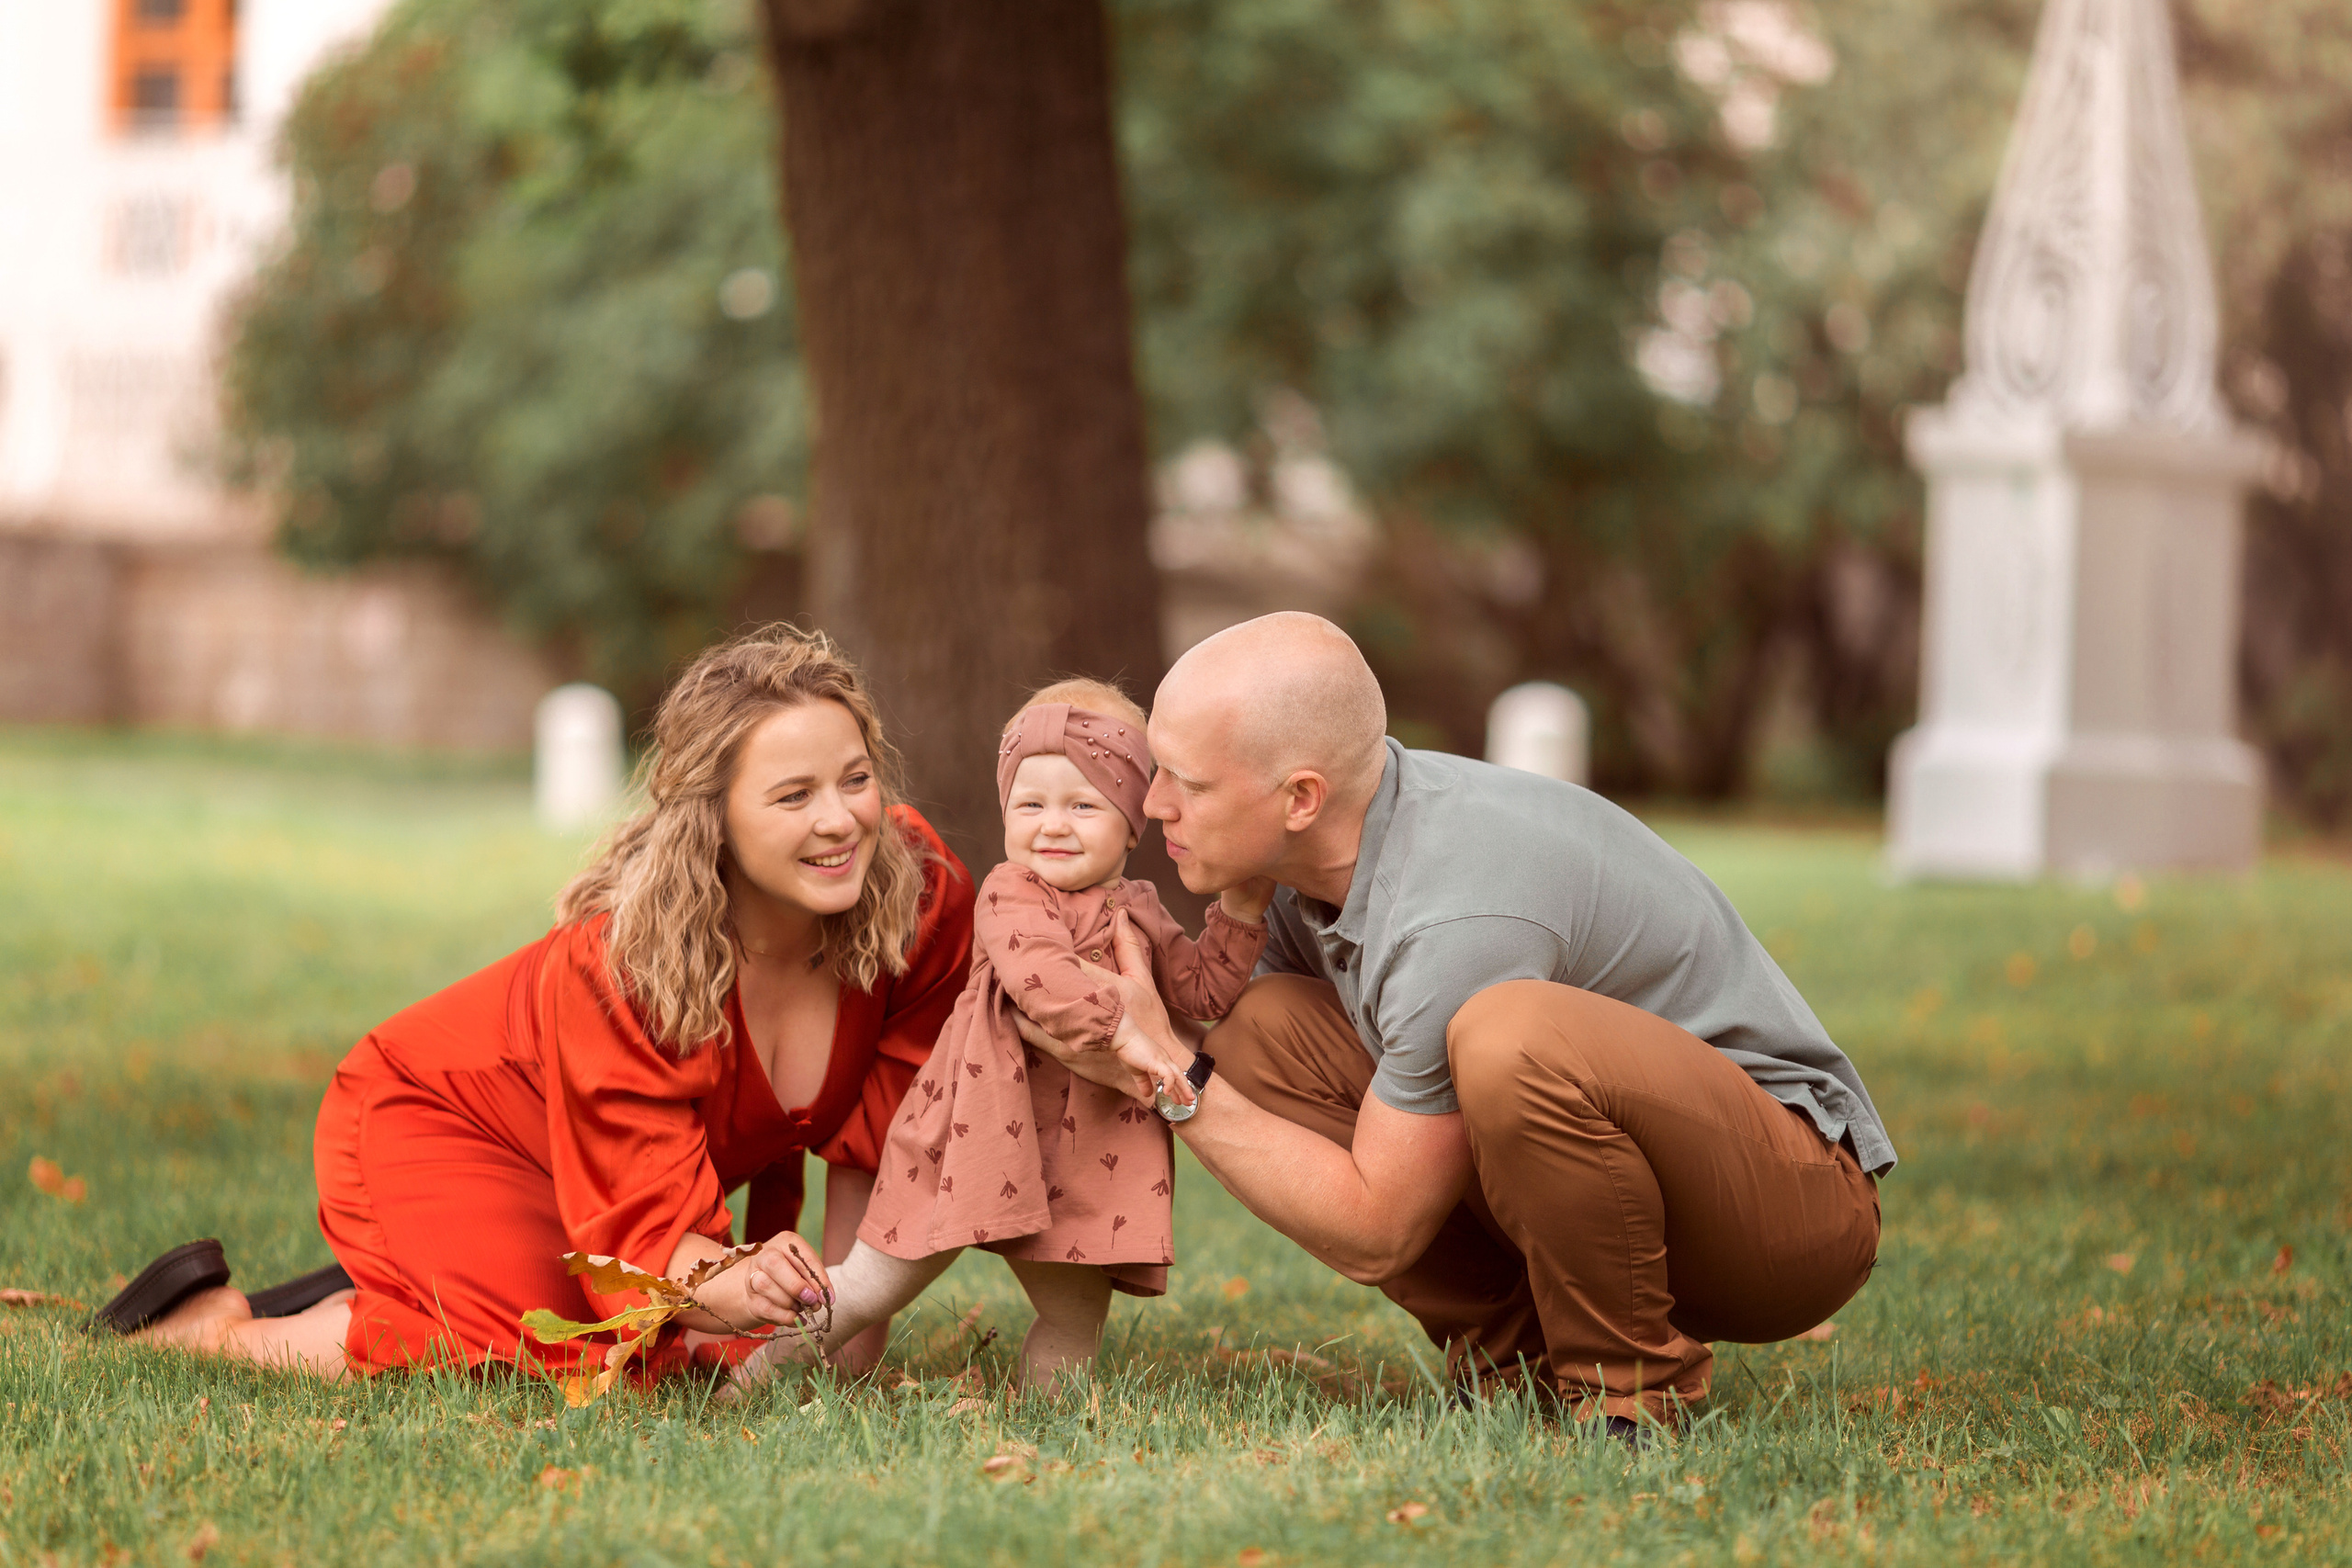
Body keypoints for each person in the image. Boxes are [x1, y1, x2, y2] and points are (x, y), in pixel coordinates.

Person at [1013, 613, 1894, 1432]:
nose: (1153, 803)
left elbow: (1377, 1228)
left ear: (1301, 798)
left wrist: (1169, 1071)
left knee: (1507, 1036)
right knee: (1259, 1030)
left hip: (1792, 1210)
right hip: (1634, 1187)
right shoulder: (1306, 868)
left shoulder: (1454, 910)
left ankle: (1623, 1396)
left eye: (1187, 782)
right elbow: (1260, 1069)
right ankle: (1518, 1366)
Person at [97, 626, 970, 1380]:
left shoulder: (916, 895)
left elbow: (885, 1134)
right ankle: (214, 1334)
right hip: (439, 1117)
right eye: (792, 795)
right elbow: (651, 1257)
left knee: (672, 1349)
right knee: (595, 1351)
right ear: (713, 820)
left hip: (608, 1174)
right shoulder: (623, 965)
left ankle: (424, 1274)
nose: (841, 820)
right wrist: (742, 1288)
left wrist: (850, 1343)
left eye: (855, 779)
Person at [735, 681, 1272, 1393]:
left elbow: (1201, 988)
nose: (1053, 824)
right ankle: (747, 1382)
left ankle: (1047, 1433)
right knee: (867, 1286)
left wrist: (1241, 907)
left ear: (1132, 821)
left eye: (1083, 804)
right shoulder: (1010, 892)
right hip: (973, 1135)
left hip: (1084, 1154)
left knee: (1076, 1319)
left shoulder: (1139, 908)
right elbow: (1041, 977)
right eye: (1031, 804)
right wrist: (1130, 1033)